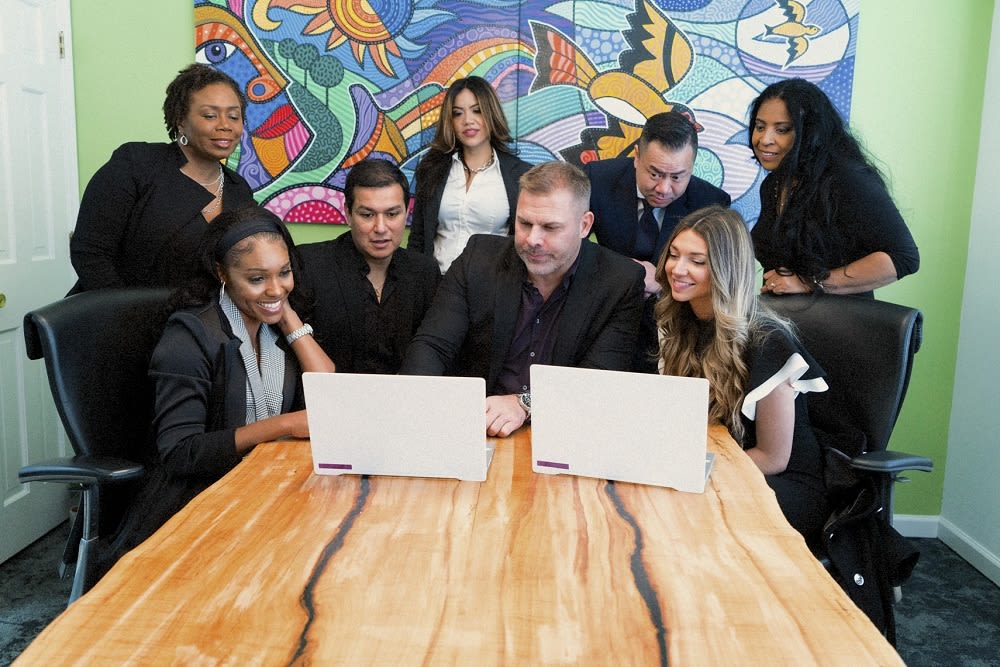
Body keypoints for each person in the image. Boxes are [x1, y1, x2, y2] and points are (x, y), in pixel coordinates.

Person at [110, 205, 335, 557]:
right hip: (195, 504)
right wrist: (285, 424)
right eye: (257, 279)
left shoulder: (272, 322)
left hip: (261, 488)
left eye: (284, 273)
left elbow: (328, 391)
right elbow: (180, 453)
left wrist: (286, 314)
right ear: (222, 274)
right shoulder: (190, 336)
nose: (275, 288)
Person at [401, 161, 645, 438]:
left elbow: (599, 383)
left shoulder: (619, 281)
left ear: (584, 225)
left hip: (566, 433)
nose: (532, 239)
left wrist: (525, 403)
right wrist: (417, 412)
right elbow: (432, 346)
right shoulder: (478, 258)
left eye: (550, 227)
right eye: (524, 223)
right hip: (473, 426)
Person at [654, 205, 829, 547]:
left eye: (697, 261)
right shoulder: (677, 323)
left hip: (782, 485)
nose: (678, 268)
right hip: (718, 468)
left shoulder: (769, 340)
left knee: (682, 510)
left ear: (725, 269)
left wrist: (695, 470)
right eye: (674, 255)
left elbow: (774, 458)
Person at [69, 63, 256, 293]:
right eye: (210, 115)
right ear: (180, 121)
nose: (225, 125)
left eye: (234, 116)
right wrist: (125, 315)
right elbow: (90, 253)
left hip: (195, 323)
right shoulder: (136, 165)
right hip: (116, 316)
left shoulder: (240, 190)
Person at [583, 111, 731, 372]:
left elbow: (719, 277)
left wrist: (662, 279)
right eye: (655, 174)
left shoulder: (710, 202)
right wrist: (625, 272)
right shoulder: (598, 180)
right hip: (606, 314)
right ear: (636, 158)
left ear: (692, 167)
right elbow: (572, 245)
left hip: (677, 325)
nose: (664, 188)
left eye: (677, 177)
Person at [749, 78, 919, 297]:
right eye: (760, 127)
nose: (764, 139)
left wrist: (811, 283)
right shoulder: (773, 184)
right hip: (786, 322)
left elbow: (904, 257)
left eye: (782, 130)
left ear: (809, 133)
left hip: (839, 325)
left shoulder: (847, 179)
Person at [297, 159, 440, 373]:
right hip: (330, 400)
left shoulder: (424, 272)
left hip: (404, 400)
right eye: (367, 215)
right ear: (348, 213)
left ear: (407, 212)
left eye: (392, 214)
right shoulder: (310, 264)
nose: (381, 227)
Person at [410, 76, 532, 273]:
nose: (468, 121)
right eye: (458, 114)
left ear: (491, 113)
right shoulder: (431, 169)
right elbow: (418, 237)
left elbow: (526, 242)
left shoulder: (520, 175)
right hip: (437, 285)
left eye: (477, 111)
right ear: (450, 121)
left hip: (490, 288)